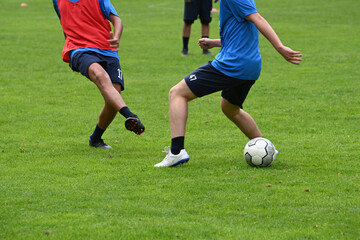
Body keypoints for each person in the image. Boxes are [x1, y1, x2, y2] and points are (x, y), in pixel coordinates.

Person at [155, 0, 302, 167]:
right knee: (230, 108)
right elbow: (242, 30)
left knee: (177, 93)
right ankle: (265, 147)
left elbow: (258, 19)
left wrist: (280, 47)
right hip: (249, 67)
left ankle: (176, 152)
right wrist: (216, 43)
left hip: (232, 65)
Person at [52, 0, 145, 149]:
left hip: (107, 49)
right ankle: (129, 115)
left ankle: (95, 139)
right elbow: (65, 25)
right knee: (100, 75)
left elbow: (116, 19)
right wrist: (70, 54)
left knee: (114, 96)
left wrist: (117, 37)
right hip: (79, 49)